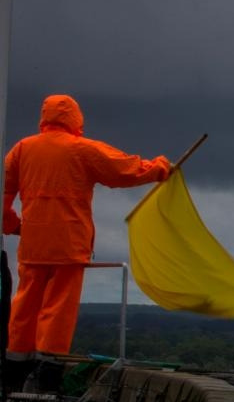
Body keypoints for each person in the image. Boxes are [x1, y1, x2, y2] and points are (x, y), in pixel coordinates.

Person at [4, 95, 170, 378]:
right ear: (75, 118)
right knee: (58, 309)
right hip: (69, 245)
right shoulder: (81, 149)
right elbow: (124, 170)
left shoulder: (21, 149)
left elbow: (3, 194)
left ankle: (15, 368)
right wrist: (160, 167)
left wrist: (16, 227)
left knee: (24, 306)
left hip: (32, 246)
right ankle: (48, 370)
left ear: (44, 117)